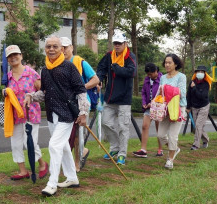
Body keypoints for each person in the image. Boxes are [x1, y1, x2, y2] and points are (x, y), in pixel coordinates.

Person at [24, 36, 89, 196]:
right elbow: (45, 93)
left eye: (55, 46)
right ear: (45, 49)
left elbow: (81, 90)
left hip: (67, 114)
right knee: (63, 146)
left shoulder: (69, 67)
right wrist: (31, 96)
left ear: (62, 49)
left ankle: (52, 183)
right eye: (48, 46)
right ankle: (72, 178)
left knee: (54, 145)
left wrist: (83, 113)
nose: (51, 49)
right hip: (52, 115)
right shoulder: (45, 69)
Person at [2, 45, 48, 180]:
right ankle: (23, 171)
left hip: (31, 113)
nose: (13, 57)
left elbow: (42, 92)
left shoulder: (32, 73)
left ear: (21, 56)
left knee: (31, 143)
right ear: (7, 60)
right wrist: (4, 92)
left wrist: (31, 96)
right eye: (10, 56)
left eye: (15, 54)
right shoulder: (7, 77)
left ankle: (42, 164)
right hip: (15, 115)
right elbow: (9, 94)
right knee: (15, 143)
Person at [97, 33, 137, 165]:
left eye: (120, 43)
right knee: (105, 123)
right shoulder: (109, 56)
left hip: (124, 99)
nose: (117, 45)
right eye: (115, 43)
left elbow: (132, 72)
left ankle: (122, 154)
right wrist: (99, 79)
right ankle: (115, 147)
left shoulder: (130, 57)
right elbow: (101, 68)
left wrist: (117, 68)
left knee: (123, 127)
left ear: (125, 43)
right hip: (109, 97)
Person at [60, 36, 99, 172]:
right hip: (64, 104)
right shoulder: (57, 64)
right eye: (61, 47)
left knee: (77, 135)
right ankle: (79, 154)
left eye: (66, 47)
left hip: (81, 103)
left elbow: (95, 79)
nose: (63, 50)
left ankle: (77, 163)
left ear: (71, 47)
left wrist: (82, 87)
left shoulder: (80, 62)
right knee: (65, 135)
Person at [157, 54, 186, 170]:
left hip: (178, 108)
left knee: (173, 136)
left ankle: (170, 159)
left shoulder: (181, 77)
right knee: (160, 135)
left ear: (176, 64)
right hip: (165, 109)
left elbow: (182, 93)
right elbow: (160, 92)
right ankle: (174, 149)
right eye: (165, 62)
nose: (167, 65)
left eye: (169, 62)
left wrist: (166, 89)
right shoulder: (163, 77)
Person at [132, 63, 163, 158]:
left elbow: (162, 94)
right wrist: (144, 103)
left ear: (156, 71)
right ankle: (143, 150)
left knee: (159, 128)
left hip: (158, 106)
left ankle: (160, 149)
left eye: (151, 74)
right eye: (148, 74)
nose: (149, 76)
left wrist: (153, 102)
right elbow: (144, 93)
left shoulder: (162, 79)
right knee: (145, 126)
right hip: (148, 108)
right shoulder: (146, 80)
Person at [186, 65, 213, 150]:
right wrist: (188, 107)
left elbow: (202, 96)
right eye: (198, 71)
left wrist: (194, 88)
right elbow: (189, 95)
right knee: (197, 127)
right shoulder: (192, 82)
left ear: (205, 74)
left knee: (198, 125)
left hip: (204, 106)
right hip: (194, 107)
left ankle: (195, 145)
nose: (200, 73)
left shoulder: (206, 84)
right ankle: (206, 140)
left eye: (202, 72)